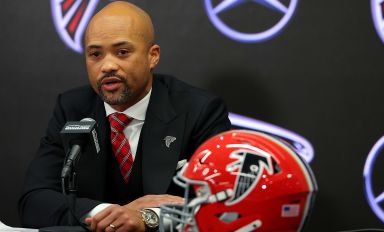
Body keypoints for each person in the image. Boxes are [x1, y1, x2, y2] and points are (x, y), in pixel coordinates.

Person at [18, 1, 231, 231]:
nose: (107, 65)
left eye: (122, 52)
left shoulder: (199, 109)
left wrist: (148, 217)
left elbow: (224, 204)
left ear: (153, 56)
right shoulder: (72, 109)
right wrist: (108, 214)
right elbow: (34, 201)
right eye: (95, 54)